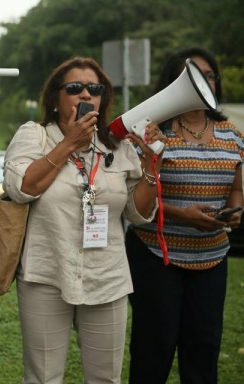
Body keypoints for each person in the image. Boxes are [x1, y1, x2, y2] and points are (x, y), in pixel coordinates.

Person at [3, 57, 166, 383]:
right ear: (55, 97)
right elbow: (21, 188)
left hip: (107, 278)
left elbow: (136, 213)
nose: (85, 95)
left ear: (103, 97)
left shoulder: (119, 146)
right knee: (43, 377)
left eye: (95, 89)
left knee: (106, 378)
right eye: (74, 88)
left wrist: (151, 168)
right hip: (46, 274)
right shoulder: (34, 135)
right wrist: (68, 144)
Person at [126, 47, 243, 384]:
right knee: (154, 346)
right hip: (156, 255)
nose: (204, 81)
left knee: (203, 347)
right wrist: (181, 215)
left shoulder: (233, 135)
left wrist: (236, 210)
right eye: (192, 75)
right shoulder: (150, 133)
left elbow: (236, 184)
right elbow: (132, 199)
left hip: (212, 257)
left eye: (209, 75)